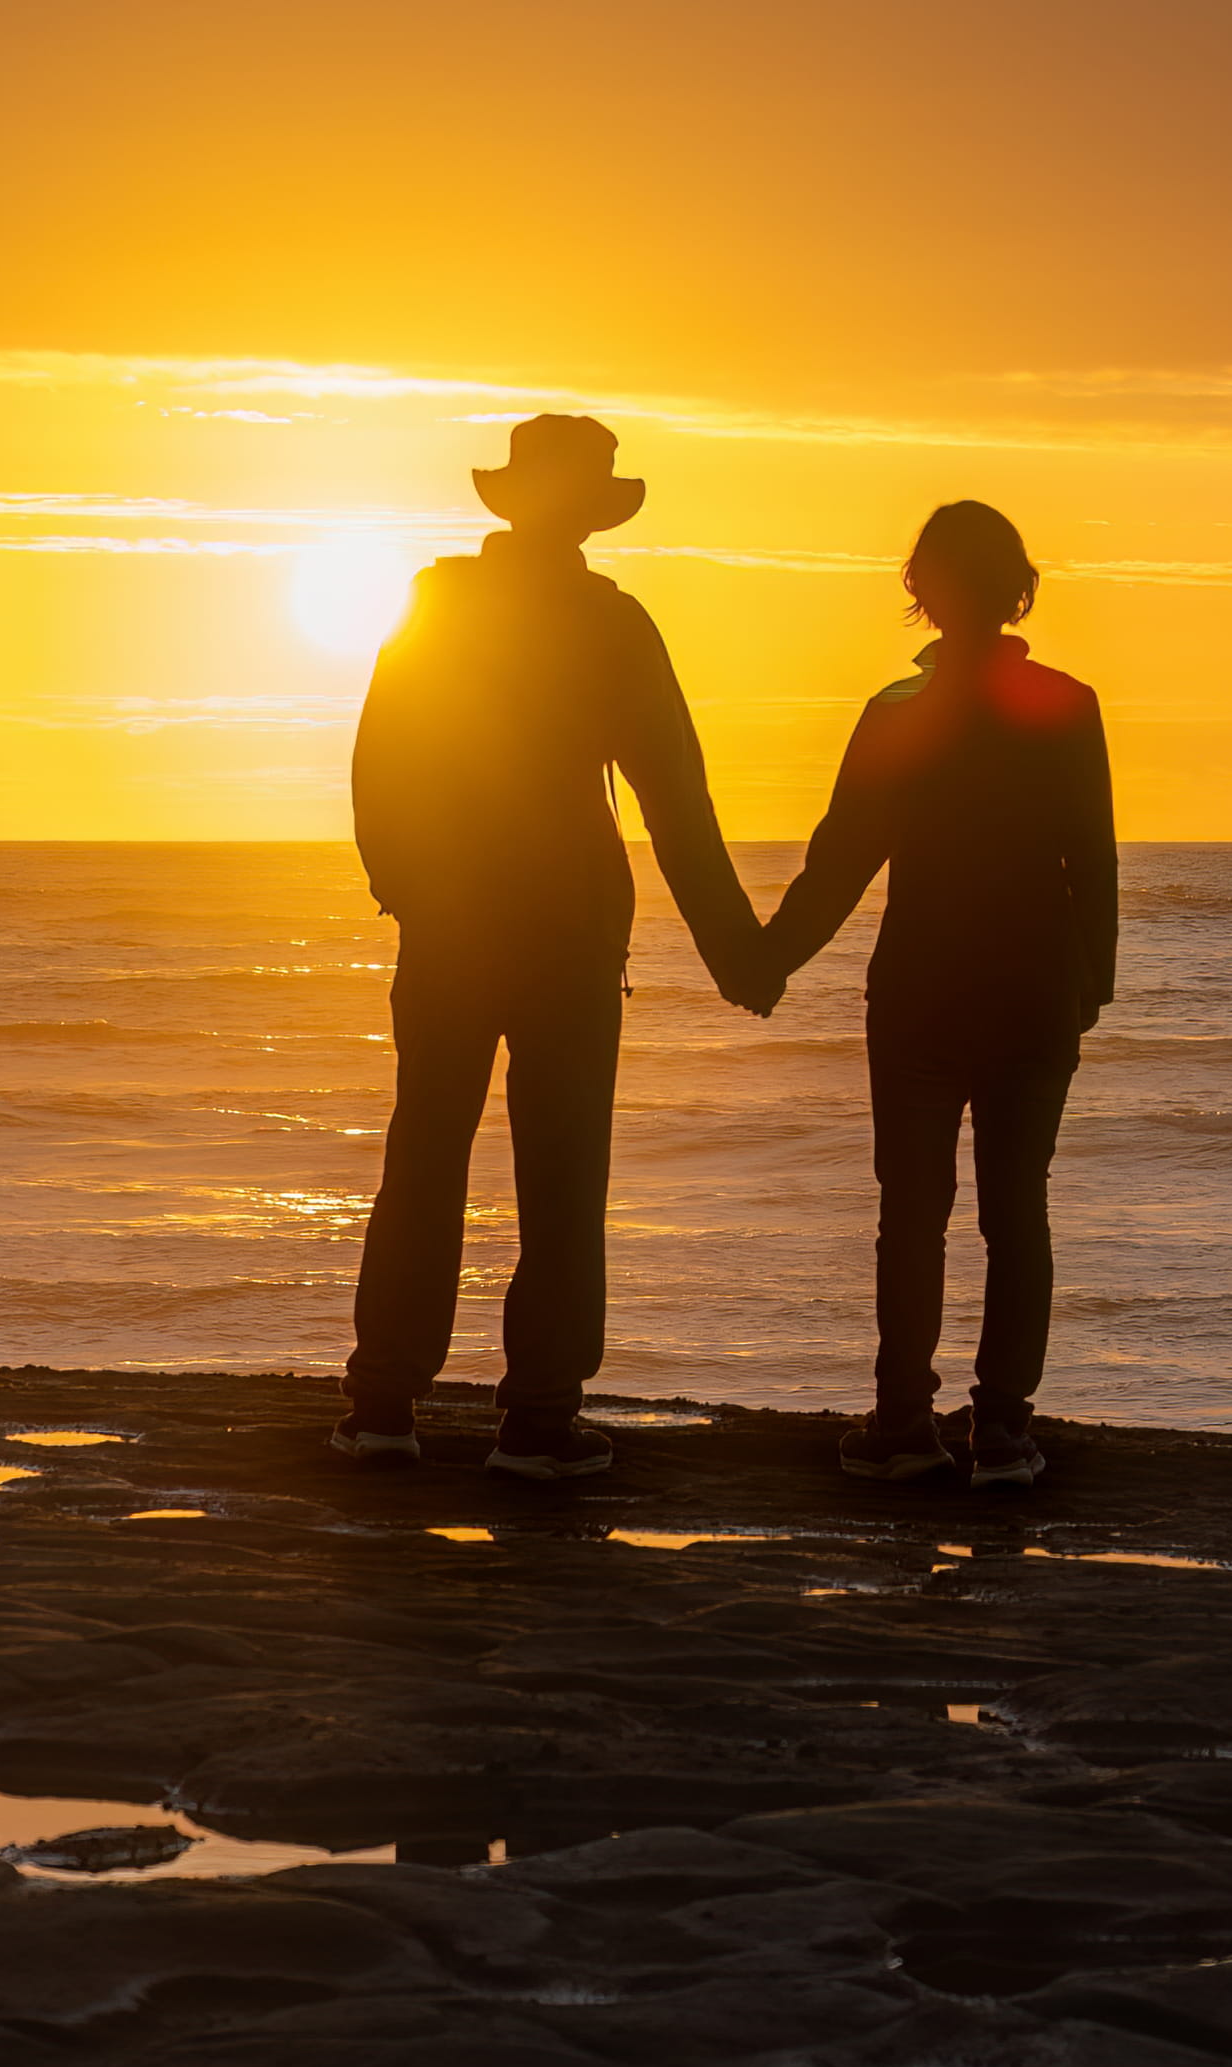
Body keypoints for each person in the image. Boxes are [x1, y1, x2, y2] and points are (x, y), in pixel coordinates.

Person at [338, 414, 770, 1479]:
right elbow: (677, 797)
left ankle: (385, 1403)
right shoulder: (609, 622)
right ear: (589, 514)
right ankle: (536, 1419)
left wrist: (408, 891)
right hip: (569, 928)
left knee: (425, 1155)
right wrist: (739, 954)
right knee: (564, 1171)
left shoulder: (437, 608)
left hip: (449, 923)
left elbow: (377, 761)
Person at [752, 499, 1114, 1490]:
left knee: (913, 1213)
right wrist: (1090, 987)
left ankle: (904, 1423)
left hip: (919, 991)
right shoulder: (1066, 704)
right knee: (1016, 1213)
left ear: (923, 590)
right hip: (1032, 988)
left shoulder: (898, 714)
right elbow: (1093, 860)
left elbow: (841, 861)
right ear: (1015, 590)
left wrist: (768, 958)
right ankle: (1001, 1430)